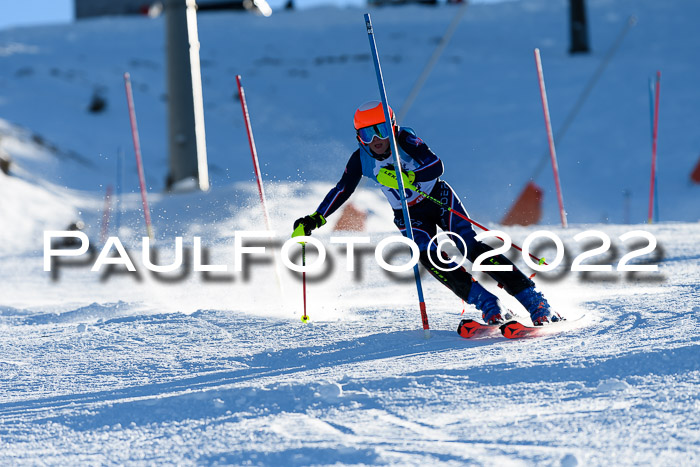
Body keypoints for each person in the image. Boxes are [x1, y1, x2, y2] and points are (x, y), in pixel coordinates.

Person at [292, 101, 561, 326]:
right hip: (409, 215)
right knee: (430, 258)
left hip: (438, 198)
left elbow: (436, 166)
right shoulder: (360, 159)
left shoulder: (405, 139)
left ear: (392, 127)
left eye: (382, 129)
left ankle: (534, 301)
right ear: (358, 137)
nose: (376, 140)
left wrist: (408, 176)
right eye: (367, 134)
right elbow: (342, 190)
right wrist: (316, 218)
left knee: (468, 246)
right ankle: (489, 304)